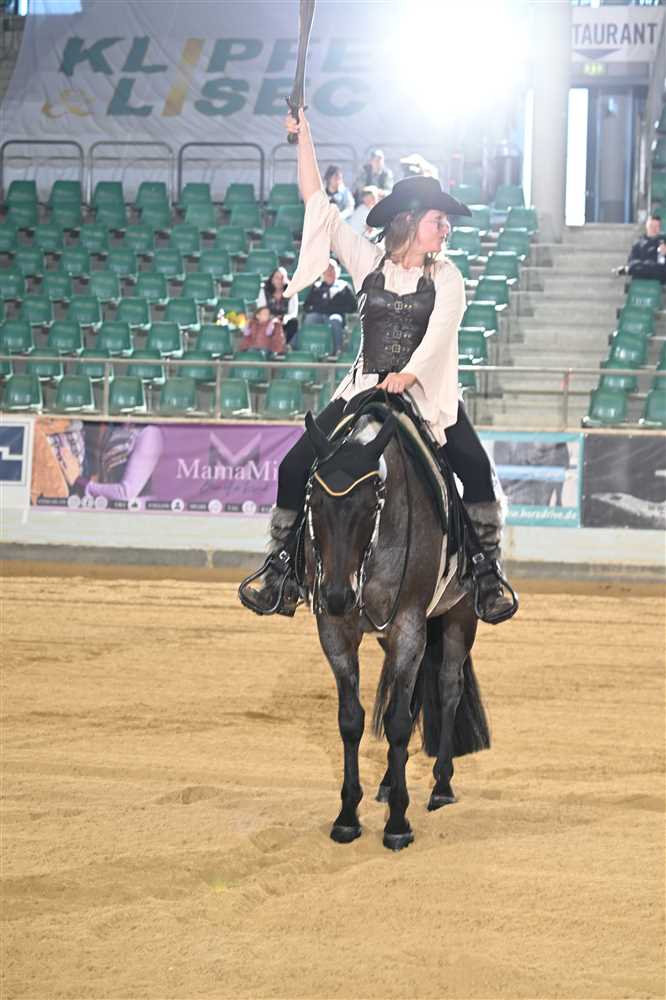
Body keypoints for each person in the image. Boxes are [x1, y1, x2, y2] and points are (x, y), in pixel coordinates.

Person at [241, 108, 517, 626]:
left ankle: (486, 572)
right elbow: (318, 205)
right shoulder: (369, 263)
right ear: (409, 221)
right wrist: (305, 138)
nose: (446, 228)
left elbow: (440, 334)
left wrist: (409, 375)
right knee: (293, 467)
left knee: (477, 469)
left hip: (426, 396)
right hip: (365, 387)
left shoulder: (448, 276)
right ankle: (282, 568)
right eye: (438, 220)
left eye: (446, 222)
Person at [302, 258, 358, 354]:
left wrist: (337, 309)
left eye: (332, 269)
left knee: (335, 319)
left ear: (337, 271)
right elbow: (306, 306)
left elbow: (353, 306)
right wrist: (316, 310)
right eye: (326, 270)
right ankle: (307, 349)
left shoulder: (344, 286)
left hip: (336, 314)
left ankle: (337, 350)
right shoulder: (317, 287)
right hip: (319, 314)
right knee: (311, 318)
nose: (329, 272)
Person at [615, 214, 666, 281]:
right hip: (641, 274)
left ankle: (627, 270)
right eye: (651, 226)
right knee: (635, 266)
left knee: (659, 268)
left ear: (660, 227)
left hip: (659, 276)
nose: (654, 229)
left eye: (656, 226)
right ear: (646, 226)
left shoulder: (664, 241)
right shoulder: (638, 243)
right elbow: (631, 262)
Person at [257, 266, 299, 343]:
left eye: (282, 278)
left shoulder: (292, 291)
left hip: (284, 321)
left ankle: (287, 345)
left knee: (293, 322)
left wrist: (284, 319)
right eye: (277, 278)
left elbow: (293, 313)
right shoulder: (264, 290)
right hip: (269, 319)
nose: (279, 281)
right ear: (272, 279)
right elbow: (261, 309)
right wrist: (272, 319)